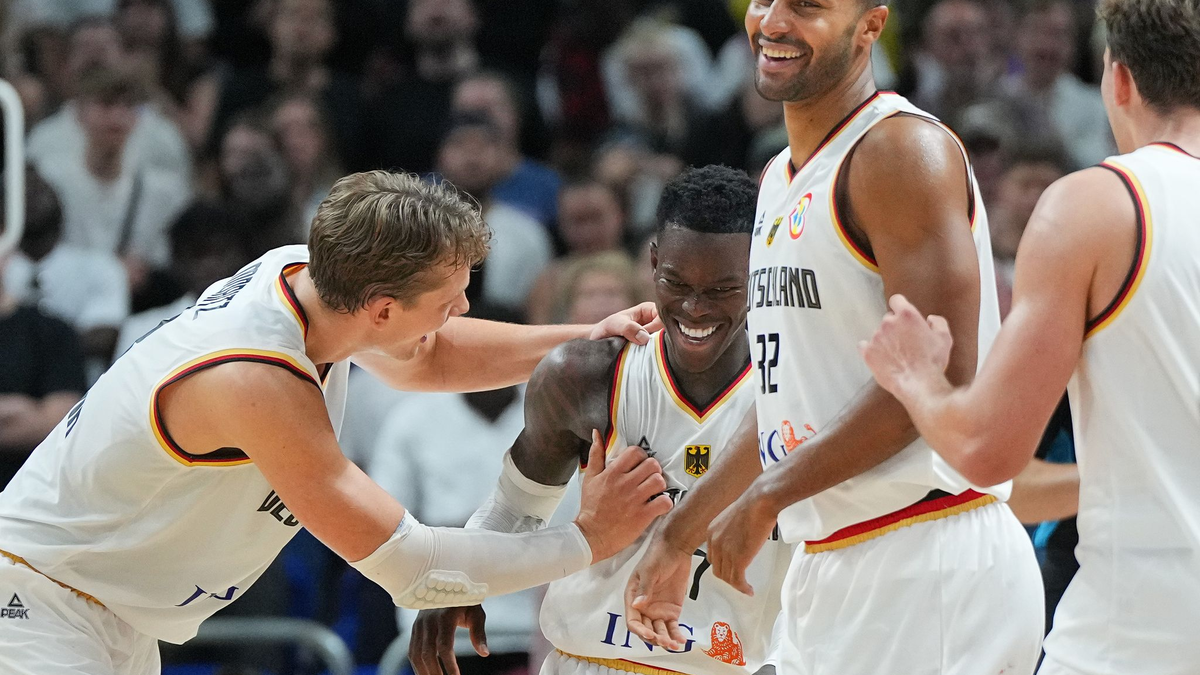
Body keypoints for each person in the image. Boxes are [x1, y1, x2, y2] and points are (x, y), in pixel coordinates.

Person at [0, 170, 670, 674]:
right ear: (380, 310)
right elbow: (413, 566)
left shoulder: (308, 274)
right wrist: (589, 537)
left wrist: (583, 337)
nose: (464, 305)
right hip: (37, 606)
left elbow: (423, 357)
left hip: (103, 609)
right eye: (449, 298)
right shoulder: (255, 378)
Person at [625, 0, 1045, 673]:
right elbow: (787, 393)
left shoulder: (900, 152)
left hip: (927, 552)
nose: (773, 20)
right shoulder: (776, 180)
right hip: (829, 562)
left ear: (872, 26)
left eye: (808, 6)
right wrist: (681, 534)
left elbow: (942, 376)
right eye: (764, 1)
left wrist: (769, 495)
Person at [859, 0, 1200, 672]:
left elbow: (987, 451)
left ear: (1118, 79)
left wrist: (919, 381)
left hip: (1141, 631)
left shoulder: (1097, 206)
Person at [409, 165, 792, 675]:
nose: (695, 309)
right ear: (652, 262)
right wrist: (462, 577)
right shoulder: (586, 375)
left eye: (722, 289)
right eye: (676, 283)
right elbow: (515, 509)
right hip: (589, 659)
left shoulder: (797, 391)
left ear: (760, 271)